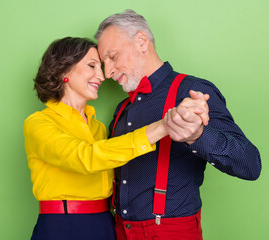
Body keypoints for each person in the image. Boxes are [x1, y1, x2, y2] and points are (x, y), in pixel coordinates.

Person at [95, 9, 262, 240]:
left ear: (142, 42)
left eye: (112, 57)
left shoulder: (192, 92)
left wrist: (198, 135)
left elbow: (250, 164)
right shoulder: (122, 108)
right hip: (119, 231)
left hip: (172, 232)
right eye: (103, 63)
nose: (107, 72)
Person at [23, 37, 209, 240]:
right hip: (63, 226)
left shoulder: (98, 127)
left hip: (105, 224)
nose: (101, 76)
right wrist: (162, 126)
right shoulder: (39, 123)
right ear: (63, 71)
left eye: (100, 67)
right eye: (92, 66)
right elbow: (85, 158)